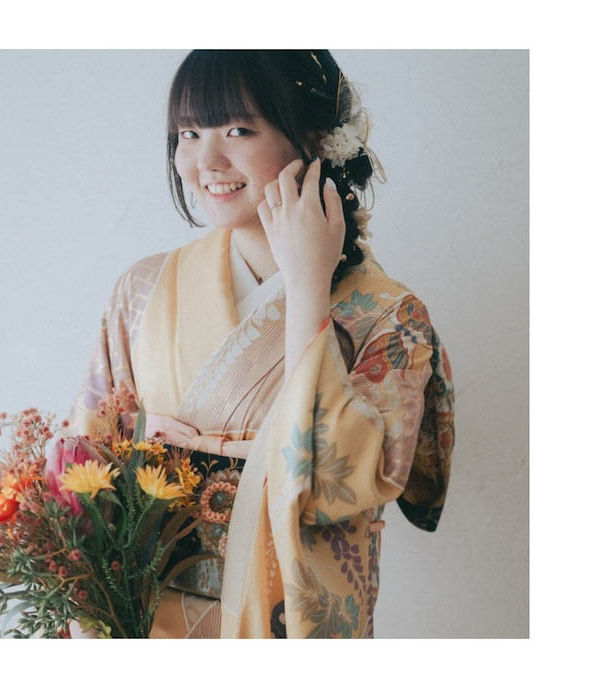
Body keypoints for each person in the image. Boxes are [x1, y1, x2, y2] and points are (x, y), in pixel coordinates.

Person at [62, 50, 455, 639]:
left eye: (238, 130)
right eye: (188, 133)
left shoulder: (388, 316)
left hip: (286, 617)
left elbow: (333, 487)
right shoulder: (143, 288)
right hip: (144, 616)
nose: (206, 160)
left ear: (313, 138)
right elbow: (84, 464)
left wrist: (308, 289)